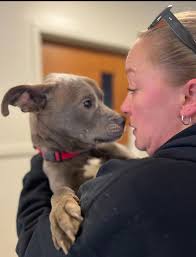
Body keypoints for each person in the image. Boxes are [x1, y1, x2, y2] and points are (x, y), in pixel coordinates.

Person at [16, 5, 196, 257]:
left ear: (189, 96)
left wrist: (41, 161)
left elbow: (33, 249)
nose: (121, 107)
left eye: (133, 88)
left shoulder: (133, 187)